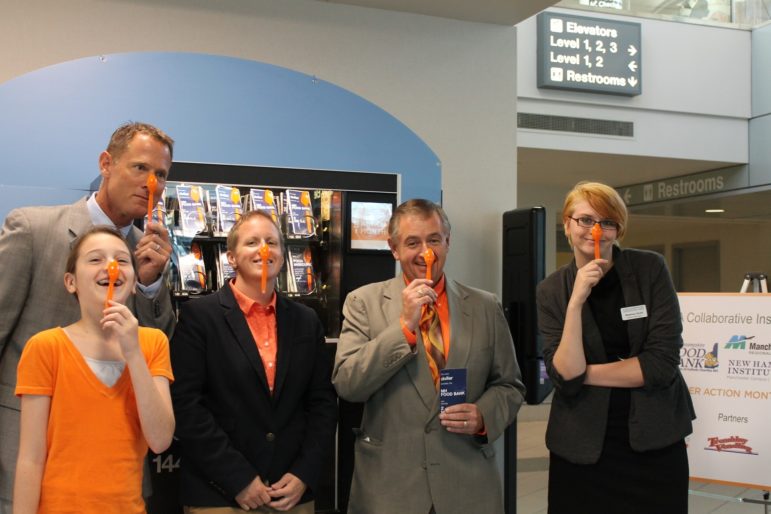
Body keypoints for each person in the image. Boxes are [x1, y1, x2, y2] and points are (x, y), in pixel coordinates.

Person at [0, 122, 176, 513]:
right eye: (140, 168)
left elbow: (154, 348)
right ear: (106, 164)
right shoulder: (33, 228)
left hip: (117, 470)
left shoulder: (152, 252)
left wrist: (148, 285)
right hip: (30, 453)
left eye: (161, 175)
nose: (151, 185)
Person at [333, 199, 525, 514]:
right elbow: (348, 383)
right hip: (390, 490)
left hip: (468, 486)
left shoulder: (485, 307)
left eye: (434, 240)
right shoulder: (364, 303)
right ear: (393, 248)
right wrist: (404, 327)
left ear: (448, 242)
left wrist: (482, 416)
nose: (426, 252)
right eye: (413, 243)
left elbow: (510, 385)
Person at [535, 181, 695, 514]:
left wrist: (582, 375)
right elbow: (564, 370)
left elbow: (660, 365)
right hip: (580, 447)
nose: (597, 231)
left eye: (608, 222)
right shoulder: (552, 291)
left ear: (618, 230)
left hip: (654, 443)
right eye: (586, 220)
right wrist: (576, 301)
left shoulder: (649, 269)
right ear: (567, 224)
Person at [171, 210, 337, 513]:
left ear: (283, 256)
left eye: (272, 242)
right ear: (231, 257)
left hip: (291, 495)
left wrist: (303, 473)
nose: (264, 249)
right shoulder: (200, 318)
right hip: (219, 495)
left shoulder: (305, 321)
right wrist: (238, 479)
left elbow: (322, 403)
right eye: (252, 242)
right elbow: (186, 405)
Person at [13, 226, 175, 513]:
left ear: (134, 278)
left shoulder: (153, 344)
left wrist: (133, 353)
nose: (111, 267)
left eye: (122, 260)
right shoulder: (45, 347)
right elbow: (31, 458)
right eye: (95, 259)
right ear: (70, 281)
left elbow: (160, 440)